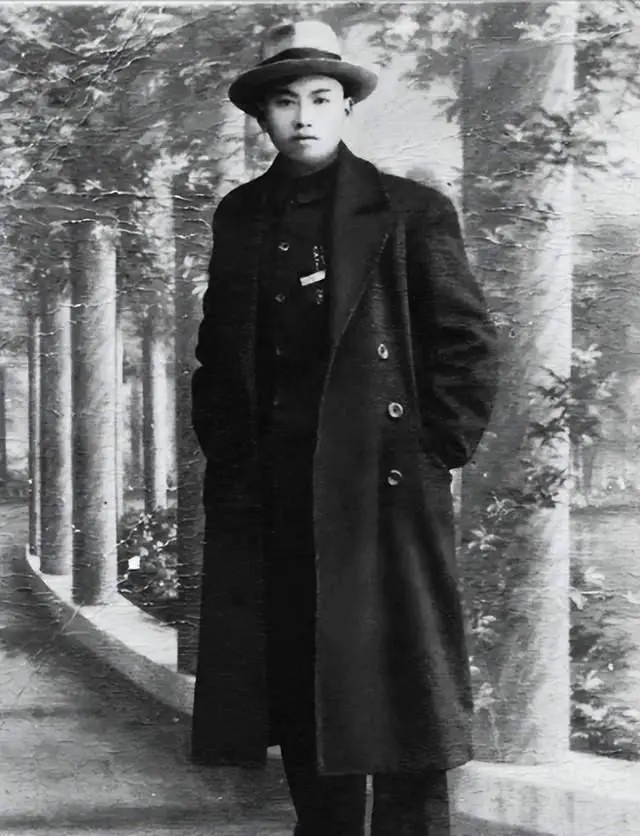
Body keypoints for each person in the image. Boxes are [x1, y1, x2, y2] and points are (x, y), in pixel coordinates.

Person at [190, 19, 498, 836]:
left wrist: (433, 451)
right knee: (303, 680)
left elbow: (465, 341)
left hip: (382, 488)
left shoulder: (409, 210)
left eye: (321, 98)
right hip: (283, 489)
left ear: (346, 107)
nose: (303, 116)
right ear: (261, 115)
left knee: (404, 685)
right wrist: (235, 459)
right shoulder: (242, 216)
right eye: (284, 101)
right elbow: (219, 353)